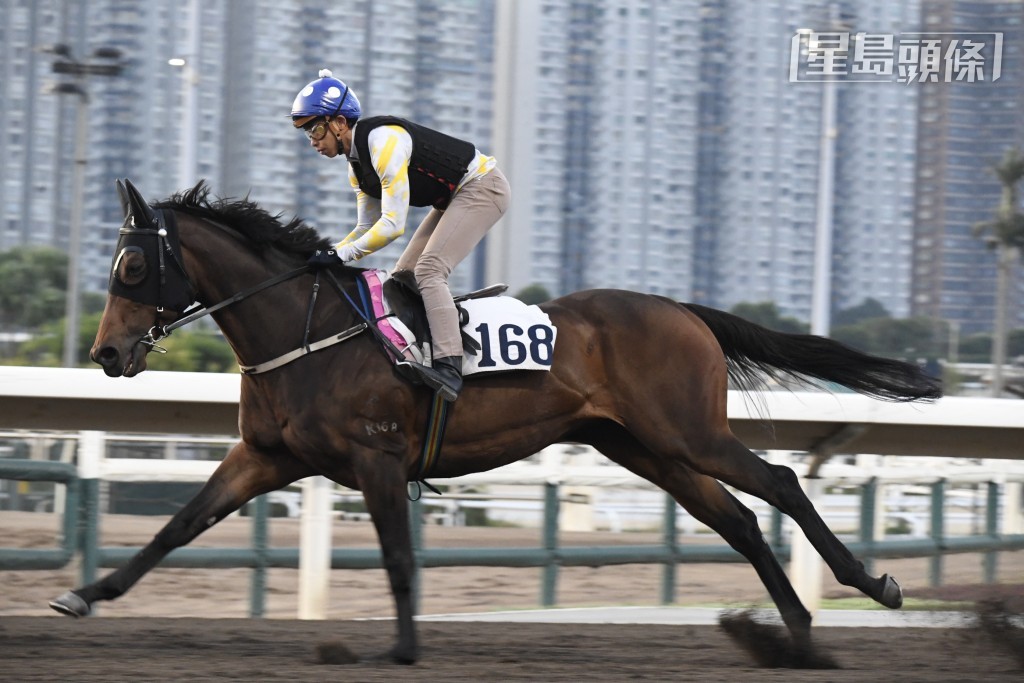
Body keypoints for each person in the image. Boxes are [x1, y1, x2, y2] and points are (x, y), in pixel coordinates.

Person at [291, 69, 510, 402]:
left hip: (483, 187)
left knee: (429, 270)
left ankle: (450, 367)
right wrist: (330, 253)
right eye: (307, 133)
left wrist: (341, 256)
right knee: (402, 277)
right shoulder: (356, 167)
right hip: (454, 196)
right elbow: (366, 228)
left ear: (339, 123)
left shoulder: (383, 143)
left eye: (316, 129)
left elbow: (393, 225)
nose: (313, 141)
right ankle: (441, 330)